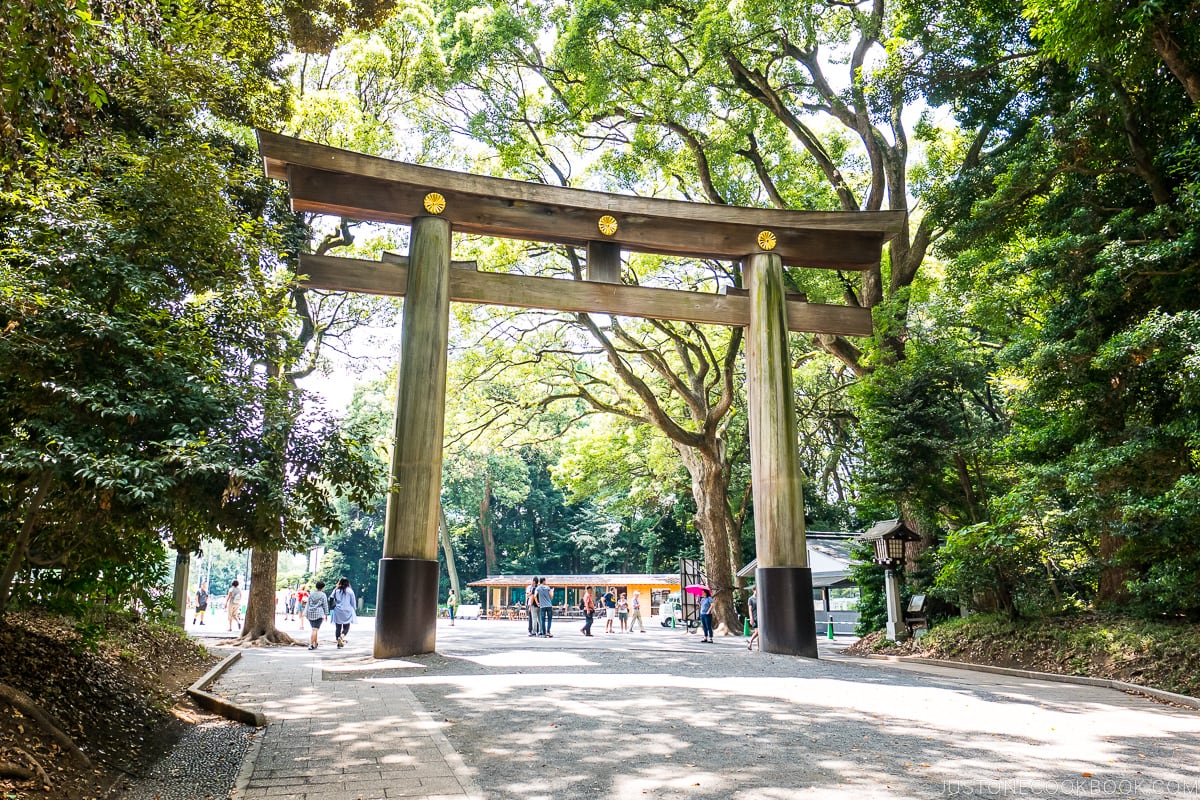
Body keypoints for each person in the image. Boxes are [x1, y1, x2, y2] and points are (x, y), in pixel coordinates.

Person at [329, 577, 356, 648]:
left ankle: (338, 642)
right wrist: (354, 609)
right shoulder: (350, 591)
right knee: (346, 627)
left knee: (338, 627)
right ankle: (341, 637)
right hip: (347, 610)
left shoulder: (336, 590)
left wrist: (331, 607)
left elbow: (331, 598)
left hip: (338, 610)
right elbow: (353, 601)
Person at [305, 580, 329, 650]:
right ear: (323, 587)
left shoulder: (311, 594)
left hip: (310, 613)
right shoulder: (323, 595)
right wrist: (326, 614)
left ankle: (315, 643)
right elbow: (325, 605)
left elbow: (308, 603)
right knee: (315, 629)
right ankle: (311, 644)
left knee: (314, 629)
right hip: (319, 613)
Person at [747, 585, 759, 651]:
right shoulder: (750, 599)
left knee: (758, 633)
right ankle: (750, 641)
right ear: (753, 590)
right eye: (756, 590)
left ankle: (758, 647)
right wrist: (751, 618)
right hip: (755, 617)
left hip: (760, 617)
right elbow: (750, 609)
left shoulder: (759, 598)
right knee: (757, 632)